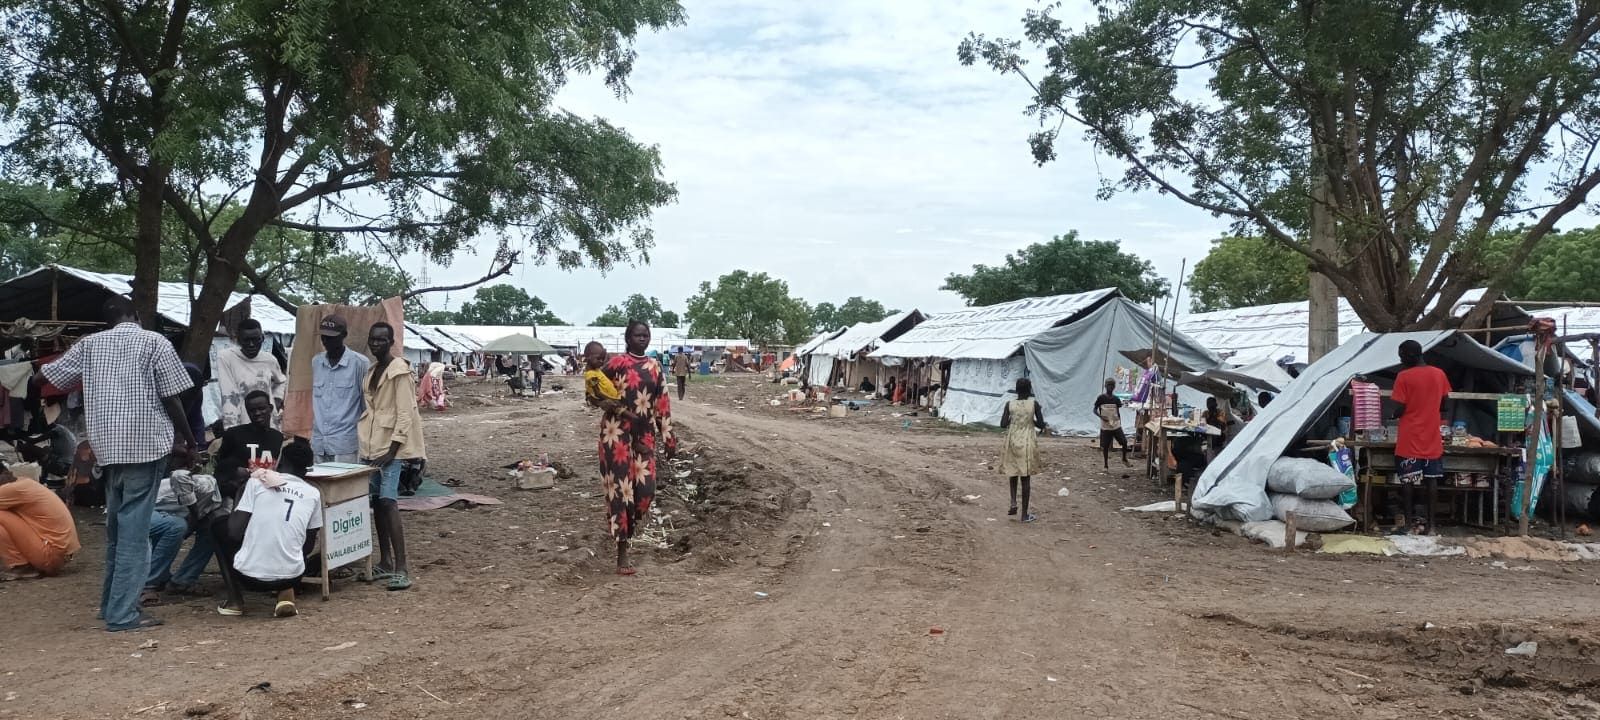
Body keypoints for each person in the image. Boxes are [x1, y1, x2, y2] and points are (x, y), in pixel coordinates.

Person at [41, 295, 196, 632]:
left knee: (117, 532)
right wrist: (188, 439)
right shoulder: (154, 341)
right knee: (135, 537)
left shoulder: (90, 344)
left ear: (107, 320)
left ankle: (110, 605)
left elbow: (47, 377)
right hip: (145, 445)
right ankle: (123, 614)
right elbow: (172, 396)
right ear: (136, 315)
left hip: (107, 449)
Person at [598, 321, 675, 575]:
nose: (643, 339)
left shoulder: (655, 367)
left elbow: (662, 402)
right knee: (621, 494)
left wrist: (669, 436)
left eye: (646, 335)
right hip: (616, 434)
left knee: (646, 491)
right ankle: (622, 551)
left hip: (644, 436)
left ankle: (629, 526)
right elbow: (593, 392)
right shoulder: (616, 364)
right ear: (627, 338)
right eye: (638, 335)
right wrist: (611, 405)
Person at [214, 440, 322, 618]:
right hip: (293, 577)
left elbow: (234, 532)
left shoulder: (257, 483)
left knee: (218, 525)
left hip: (250, 580)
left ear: (281, 462)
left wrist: (240, 494)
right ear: (307, 469)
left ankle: (235, 602)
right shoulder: (314, 493)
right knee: (291, 535)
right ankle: (285, 595)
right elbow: (308, 545)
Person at [358, 322, 424, 591]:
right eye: (373, 340)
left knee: (389, 502)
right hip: (370, 446)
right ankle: (385, 561)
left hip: (390, 450)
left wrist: (393, 451)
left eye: (381, 340)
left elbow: (405, 413)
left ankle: (401, 567)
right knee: (376, 503)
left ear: (391, 341)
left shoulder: (400, 372)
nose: (376, 344)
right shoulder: (372, 371)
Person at [143, 461, 228, 604]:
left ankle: (183, 580)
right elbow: (178, 475)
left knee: (210, 531)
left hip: (164, 514)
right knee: (176, 526)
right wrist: (193, 512)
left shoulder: (222, 503)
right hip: (141, 510)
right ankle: (148, 584)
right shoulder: (207, 484)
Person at [1391, 339, 1451, 535]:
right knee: (1431, 481)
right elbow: (1445, 405)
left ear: (1409, 355)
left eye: (1401, 356)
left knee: (1408, 481)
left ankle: (1408, 525)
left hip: (1409, 437)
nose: (1400, 360)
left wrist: (1393, 415)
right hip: (1432, 437)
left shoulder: (1403, 377)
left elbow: (1400, 408)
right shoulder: (1439, 374)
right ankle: (1432, 527)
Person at [0, 462, 79, 580]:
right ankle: (22, 564)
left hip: (50, 554)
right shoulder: (23, 482)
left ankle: (21, 567)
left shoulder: (11, 490)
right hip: (58, 553)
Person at [311, 315, 370, 464]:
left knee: (344, 486)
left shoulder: (359, 363)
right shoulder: (316, 362)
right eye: (323, 337)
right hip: (319, 443)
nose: (326, 341)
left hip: (345, 444)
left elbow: (366, 404)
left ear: (344, 335)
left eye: (331, 337)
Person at [214, 319, 286, 431]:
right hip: (240, 422)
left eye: (256, 340)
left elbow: (281, 381)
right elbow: (228, 393)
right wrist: (231, 427)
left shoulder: (269, 359)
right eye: (246, 340)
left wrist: (276, 400)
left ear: (262, 338)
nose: (251, 344)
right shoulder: (226, 358)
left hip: (267, 421)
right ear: (238, 340)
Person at [215, 391, 285, 496]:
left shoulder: (277, 437)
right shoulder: (234, 434)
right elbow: (221, 465)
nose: (257, 413)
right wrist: (235, 471)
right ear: (247, 412)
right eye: (252, 410)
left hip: (270, 490)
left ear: (270, 408)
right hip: (240, 491)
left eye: (261, 409)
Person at [999, 378, 1047, 522]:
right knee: (1025, 478)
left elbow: (1002, 424)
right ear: (1029, 389)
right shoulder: (1034, 404)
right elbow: (1041, 424)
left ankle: (1013, 501)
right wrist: (1031, 419)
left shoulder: (1010, 404)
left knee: (1013, 472)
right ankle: (1024, 515)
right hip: (1027, 441)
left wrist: (1012, 419)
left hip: (1012, 439)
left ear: (1016, 389)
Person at [1093, 379, 1129, 469]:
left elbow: (1117, 411)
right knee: (1105, 446)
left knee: (1124, 442)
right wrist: (1101, 417)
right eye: (1109, 385)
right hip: (1105, 426)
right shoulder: (1101, 398)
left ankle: (1124, 458)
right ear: (1105, 386)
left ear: (1114, 387)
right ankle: (1106, 465)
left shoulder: (1116, 399)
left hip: (1116, 425)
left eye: (1112, 385)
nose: (1110, 387)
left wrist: (1119, 422)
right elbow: (1094, 410)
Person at [583, 342, 625, 410]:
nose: (601, 361)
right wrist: (612, 400)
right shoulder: (591, 375)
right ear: (588, 356)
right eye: (598, 359)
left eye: (603, 359)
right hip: (612, 400)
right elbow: (597, 393)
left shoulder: (596, 371)